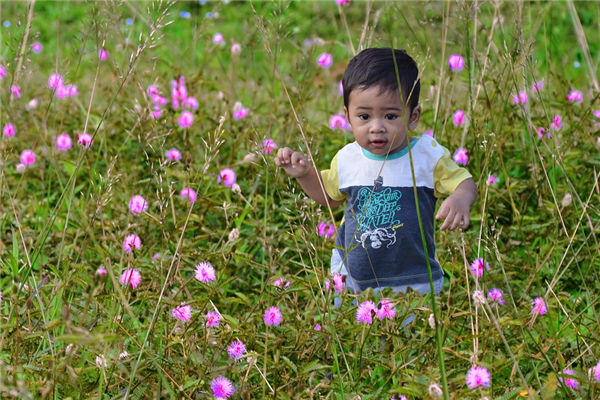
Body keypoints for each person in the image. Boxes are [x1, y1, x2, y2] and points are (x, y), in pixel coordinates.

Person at [275, 47, 477, 302]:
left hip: (413, 279)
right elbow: (330, 197)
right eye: (364, 116)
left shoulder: (427, 156)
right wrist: (304, 174)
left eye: (391, 115)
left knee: (408, 337)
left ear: (413, 117)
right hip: (351, 276)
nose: (377, 127)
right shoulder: (349, 158)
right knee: (352, 333)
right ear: (348, 116)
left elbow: (465, 182)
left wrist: (460, 198)